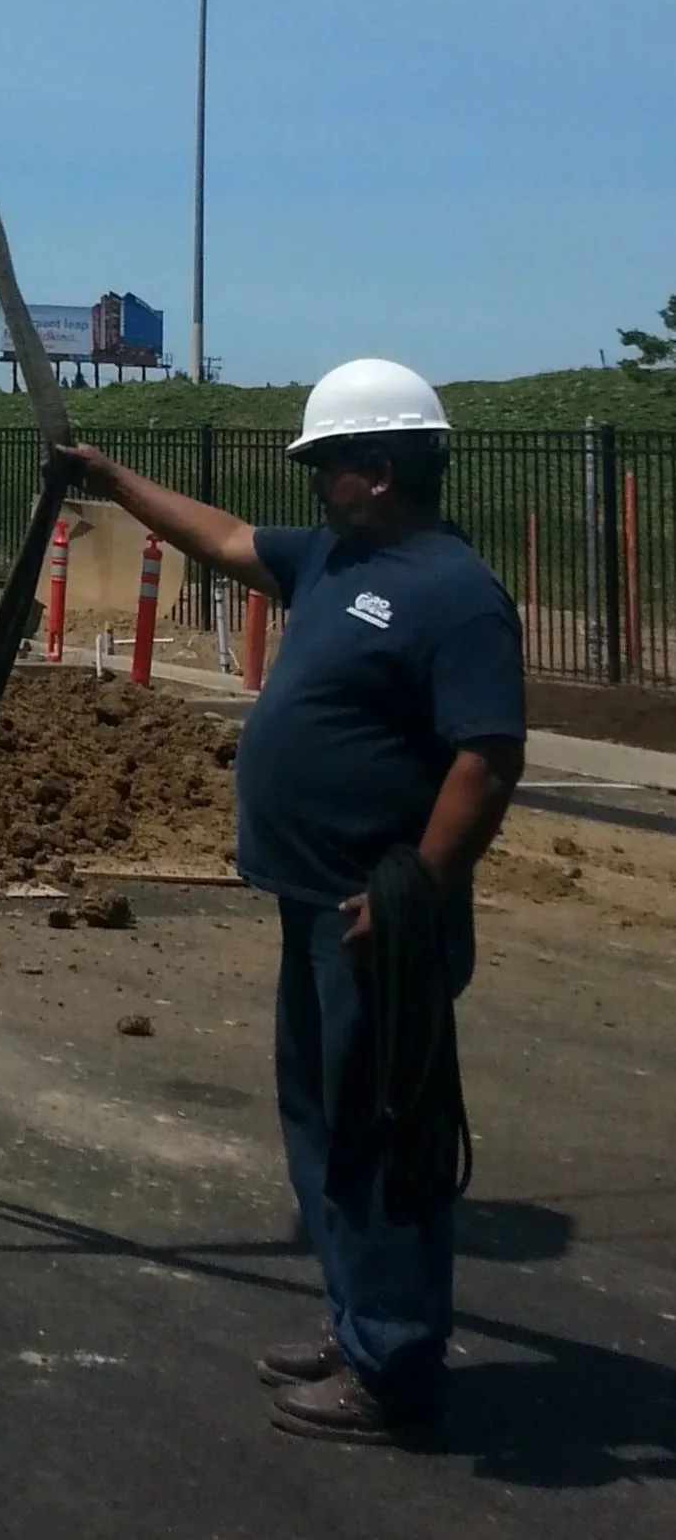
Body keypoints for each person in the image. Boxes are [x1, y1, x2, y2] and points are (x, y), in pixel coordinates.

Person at [59, 358, 524, 1446]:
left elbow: (486, 758)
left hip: (376, 921)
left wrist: (413, 886)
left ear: (377, 467)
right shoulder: (333, 557)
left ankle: (394, 1363)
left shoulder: (453, 593)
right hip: (311, 903)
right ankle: (357, 1318)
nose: (311, 483)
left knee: (378, 1133)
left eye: (323, 464)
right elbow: (221, 536)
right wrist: (112, 478)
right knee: (320, 1123)